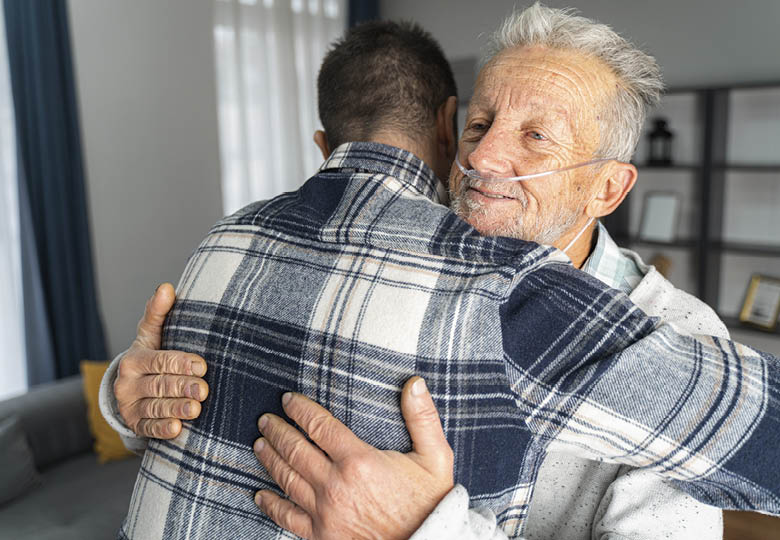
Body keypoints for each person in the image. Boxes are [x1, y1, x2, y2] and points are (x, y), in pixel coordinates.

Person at [101, 10, 780, 540]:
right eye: (480, 124)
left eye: (535, 136)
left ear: (608, 188)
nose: (483, 157)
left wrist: (422, 528)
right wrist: (130, 399)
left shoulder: (679, 333)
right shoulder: (401, 263)